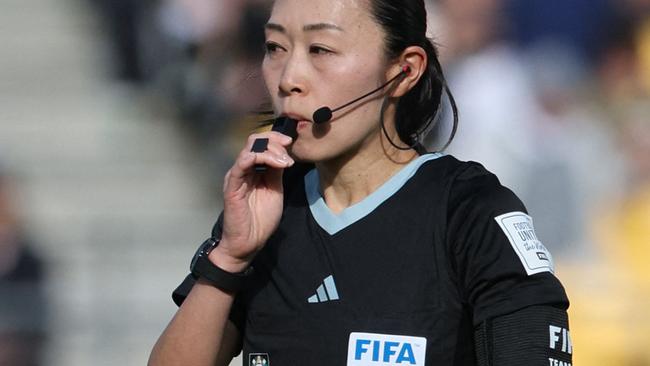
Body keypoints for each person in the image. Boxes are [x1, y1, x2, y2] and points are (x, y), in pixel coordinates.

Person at [148, 0, 572, 365]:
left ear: (404, 71)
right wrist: (231, 256)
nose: (287, 78)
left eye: (321, 49)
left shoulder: (471, 212)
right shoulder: (266, 209)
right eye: (275, 47)